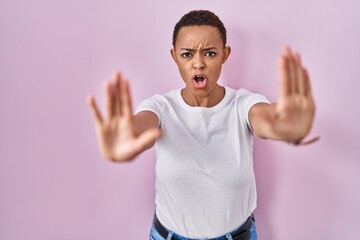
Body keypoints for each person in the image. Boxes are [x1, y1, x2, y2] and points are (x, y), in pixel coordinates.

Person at [87, 10, 316, 240]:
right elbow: (142, 124)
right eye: (187, 54)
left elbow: (266, 119)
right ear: (174, 56)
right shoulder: (161, 107)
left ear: (225, 54)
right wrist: (127, 137)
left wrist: (284, 126)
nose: (198, 64)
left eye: (210, 53)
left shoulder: (243, 103)